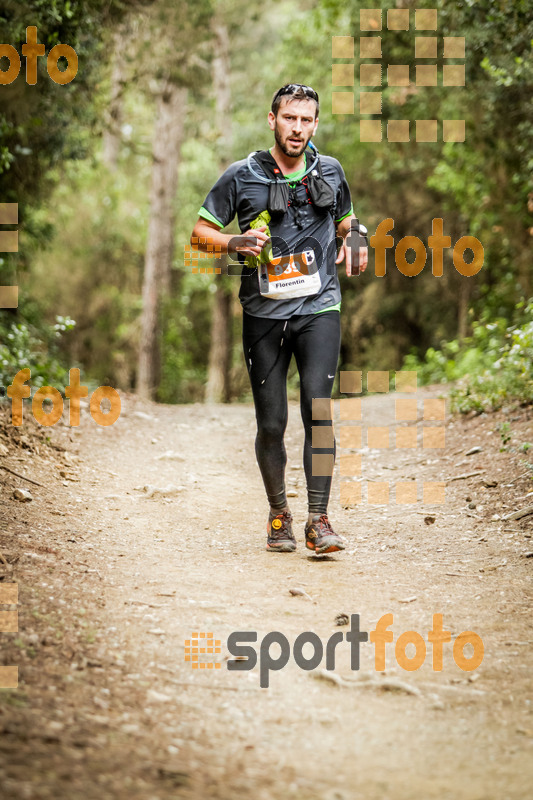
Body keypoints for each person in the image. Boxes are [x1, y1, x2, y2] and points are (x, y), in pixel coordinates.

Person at [191, 83, 368, 554]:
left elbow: (348, 218)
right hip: (264, 314)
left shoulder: (329, 169)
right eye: (290, 118)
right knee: (272, 423)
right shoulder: (241, 175)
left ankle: (319, 520)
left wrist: (356, 236)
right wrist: (232, 243)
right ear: (273, 120)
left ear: (315, 124)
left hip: (319, 308)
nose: (298, 128)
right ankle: (278, 514)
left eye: (307, 120)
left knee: (319, 411)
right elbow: (199, 230)